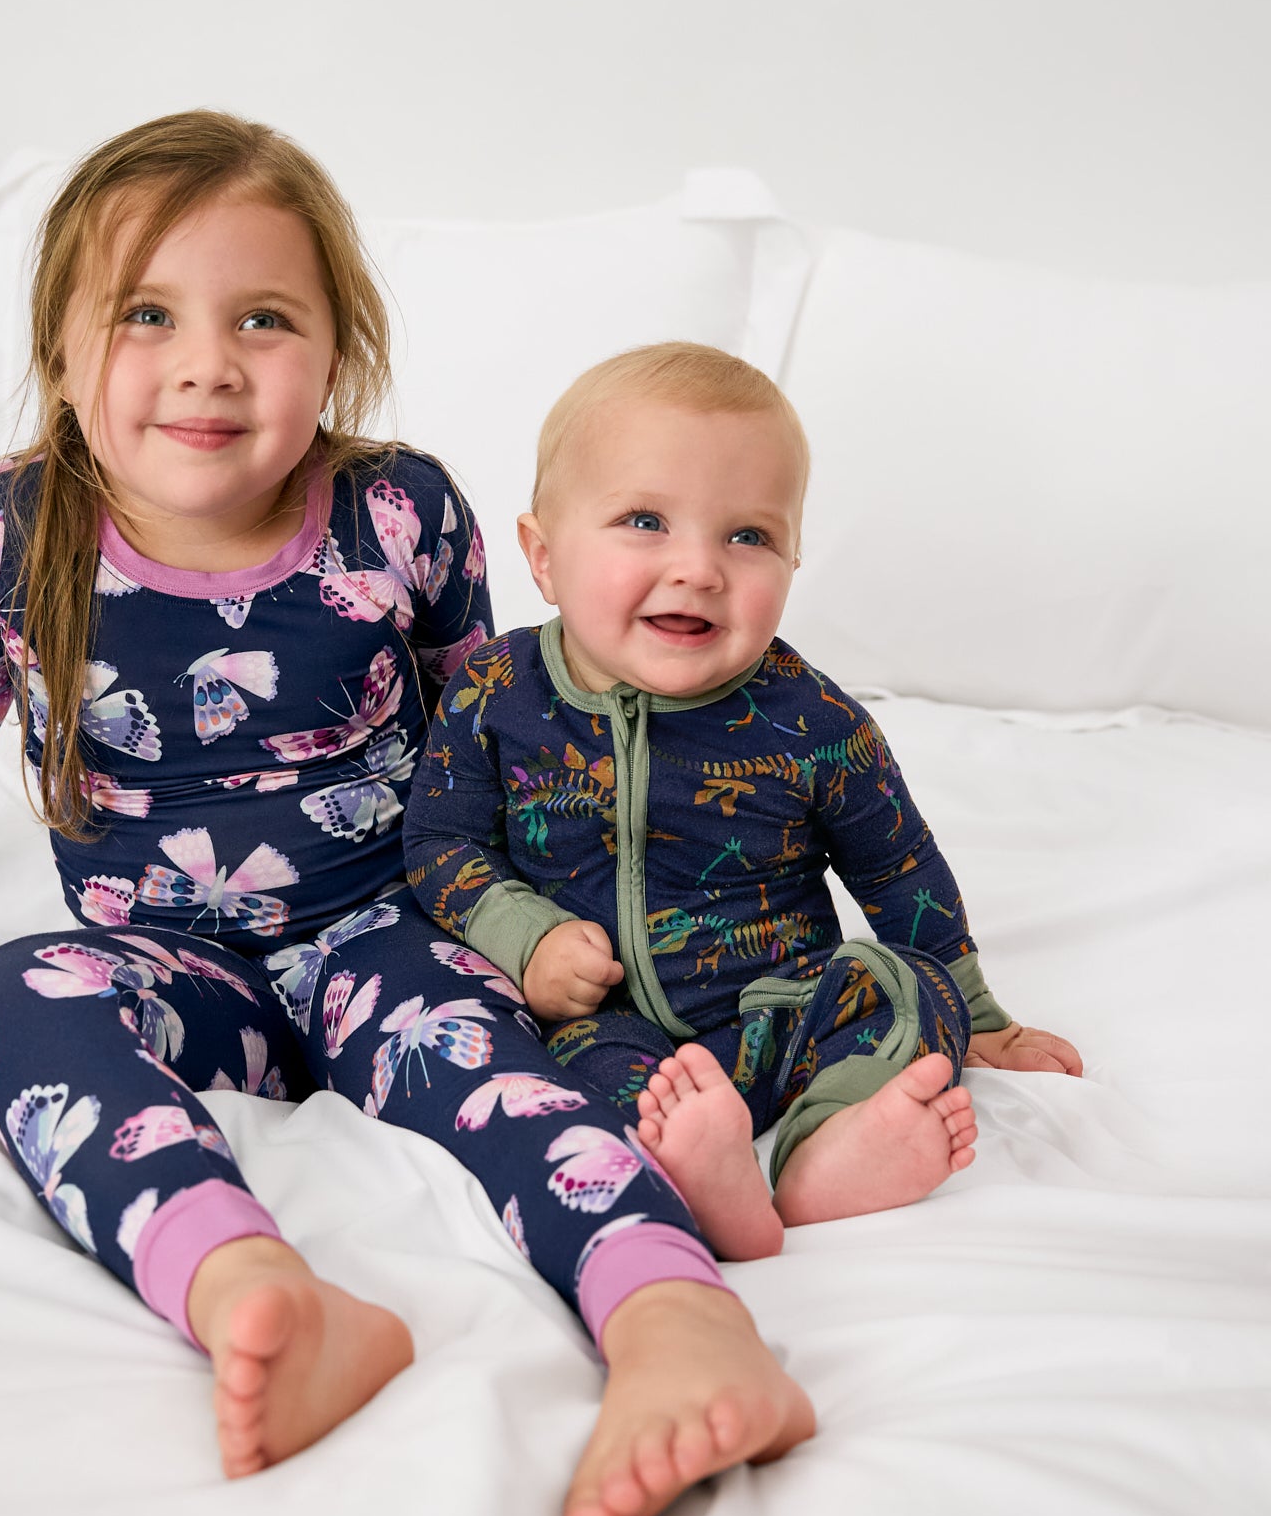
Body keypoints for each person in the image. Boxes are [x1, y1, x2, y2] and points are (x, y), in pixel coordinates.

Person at [0, 117, 812, 1516]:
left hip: (387, 929)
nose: (207, 361)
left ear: (335, 351)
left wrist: (546, 916)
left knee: (511, 1085)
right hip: (168, 961)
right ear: (63, 348)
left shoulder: (396, 512)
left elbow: (492, 719)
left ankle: (676, 1320)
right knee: (5, 997)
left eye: (261, 318)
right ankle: (245, 1285)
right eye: (148, 314)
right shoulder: (4, 535)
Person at [405, 342, 1083, 1268]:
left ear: (794, 559)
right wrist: (525, 937)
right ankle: (697, 1174)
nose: (700, 568)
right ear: (545, 557)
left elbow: (898, 865)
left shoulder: (812, 719)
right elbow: (440, 839)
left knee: (901, 988)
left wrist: (981, 1011)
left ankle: (825, 1155)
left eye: (748, 536)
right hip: (606, 1022)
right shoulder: (496, 692)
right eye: (644, 520)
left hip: (781, 1007)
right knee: (543, 1086)